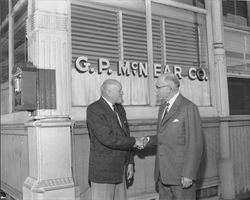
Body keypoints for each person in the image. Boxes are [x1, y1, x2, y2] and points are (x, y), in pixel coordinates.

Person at [145, 72, 204, 200]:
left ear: (169, 88)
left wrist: (188, 173)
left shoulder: (189, 107)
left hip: (181, 175)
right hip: (163, 174)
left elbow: (195, 143)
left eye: (158, 87)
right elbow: (165, 136)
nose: (156, 91)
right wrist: (147, 140)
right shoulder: (162, 108)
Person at [86, 79, 145, 200]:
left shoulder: (120, 109)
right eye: (119, 91)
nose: (122, 93)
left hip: (120, 170)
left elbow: (125, 135)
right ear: (108, 92)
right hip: (104, 172)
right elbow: (107, 138)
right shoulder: (94, 109)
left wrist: (129, 163)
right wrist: (135, 141)